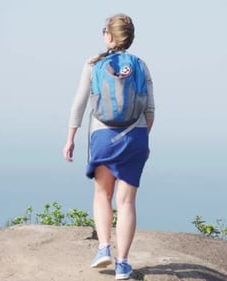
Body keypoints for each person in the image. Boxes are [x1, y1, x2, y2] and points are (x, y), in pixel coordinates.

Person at [62, 13, 154, 280]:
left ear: (110, 36)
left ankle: (103, 248)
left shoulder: (94, 64)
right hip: (134, 137)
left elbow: (79, 104)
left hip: (102, 137)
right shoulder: (141, 65)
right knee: (126, 203)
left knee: (102, 194)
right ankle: (123, 264)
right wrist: (140, 138)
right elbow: (150, 110)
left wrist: (70, 139)